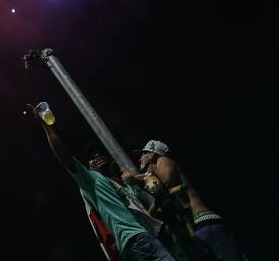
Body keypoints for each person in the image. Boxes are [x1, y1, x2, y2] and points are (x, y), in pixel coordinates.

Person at [27, 104, 175, 261]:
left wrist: (136, 180)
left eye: (99, 153)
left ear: (111, 160)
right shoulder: (92, 180)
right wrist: (45, 126)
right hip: (136, 241)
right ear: (88, 166)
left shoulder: (125, 185)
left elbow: (154, 194)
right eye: (91, 157)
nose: (96, 156)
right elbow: (64, 156)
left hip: (146, 240)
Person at [123, 140, 248, 261]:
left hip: (205, 221)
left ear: (152, 154)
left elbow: (163, 184)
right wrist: (137, 178)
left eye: (143, 154)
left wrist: (138, 178)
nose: (140, 158)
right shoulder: (154, 172)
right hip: (197, 227)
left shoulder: (163, 160)